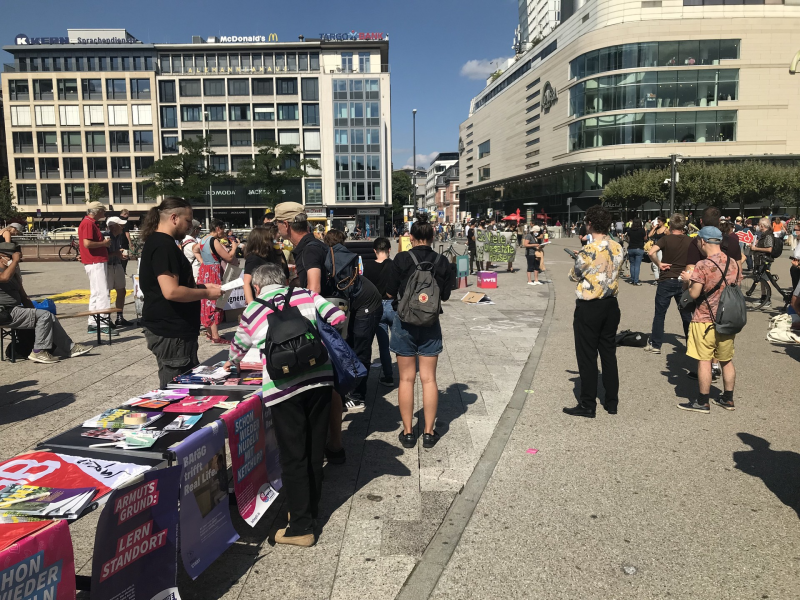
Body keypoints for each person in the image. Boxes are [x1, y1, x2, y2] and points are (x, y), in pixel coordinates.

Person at [224, 263, 345, 547]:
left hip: (283, 387)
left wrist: (233, 363)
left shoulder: (253, 310)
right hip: (319, 378)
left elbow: (237, 348)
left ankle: (301, 526)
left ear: (257, 287)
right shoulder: (305, 294)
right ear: (285, 280)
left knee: (293, 455)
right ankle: (310, 510)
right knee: (314, 449)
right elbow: (337, 316)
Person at [275, 202, 348, 463]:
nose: (277, 229)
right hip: (324, 318)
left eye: (277, 224)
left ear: (285, 225)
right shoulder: (310, 246)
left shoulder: (309, 248)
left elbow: (314, 288)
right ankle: (333, 444)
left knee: (328, 385)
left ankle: (334, 445)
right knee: (330, 384)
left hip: (316, 323)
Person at [386, 213, 455, 448]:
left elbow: (388, 291)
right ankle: (428, 432)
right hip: (430, 324)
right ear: (432, 236)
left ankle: (407, 433)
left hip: (404, 323)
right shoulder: (443, 262)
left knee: (406, 378)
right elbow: (445, 295)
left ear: (412, 237)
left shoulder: (402, 259)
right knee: (429, 379)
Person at [138, 198, 223, 387]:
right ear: (174, 218)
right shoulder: (163, 245)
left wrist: (202, 287)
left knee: (187, 385)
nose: (190, 226)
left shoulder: (161, 242)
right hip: (171, 331)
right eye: (188, 220)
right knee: (177, 389)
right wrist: (205, 294)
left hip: (175, 329)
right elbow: (171, 292)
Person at [563, 205, 623, 418]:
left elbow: (574, 275)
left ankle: (588, 403)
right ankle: (612, 401)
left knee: (587, 355)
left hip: (590, 305)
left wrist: (579, 260)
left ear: (589, 224)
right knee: (608, 352)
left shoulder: (588, 250)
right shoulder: (617, 246)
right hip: (610, 304)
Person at [678, 227, 742, 413]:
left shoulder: (702, 265)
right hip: (727, 319)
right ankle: (728, 398)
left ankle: (702, 401)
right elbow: (735, 288)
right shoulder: (734, 263)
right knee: (726, 360)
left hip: (705, 318)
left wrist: (688, 280)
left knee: (704, 360)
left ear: (703, 242)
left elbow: (695, 293)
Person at [322, 229, 383, 410]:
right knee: (354, 346)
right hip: (367, 300)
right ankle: (352, 390)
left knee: (360, 348)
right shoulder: (340, 257)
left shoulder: (333, 259)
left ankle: (358, 396)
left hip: (368, 306)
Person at [0, 250, 90, 363]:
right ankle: (38, 351)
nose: (13, 261)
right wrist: (15, 261)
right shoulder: (6, 274)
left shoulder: (13, 274)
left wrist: (35, 312)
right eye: (10, 258)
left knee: (48, 316)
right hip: (4, 312)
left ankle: (70, 348)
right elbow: (4, 278)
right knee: (45, 316)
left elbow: (24, 297)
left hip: (14, 310)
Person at [644, 214, 692, 355]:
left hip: (667, 279)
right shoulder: (690, 241)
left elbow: (651, 252)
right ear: (683, 226)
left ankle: (656, 344)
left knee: (660, 313)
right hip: (683, 279)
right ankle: (691, 344)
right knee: (686, 314)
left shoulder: (666, 239)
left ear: (670, 225)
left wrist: (659, 264)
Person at [194, 219, 239, 344]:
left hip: (204, 271)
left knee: (205, 302)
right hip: (213, 272)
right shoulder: (214, 241)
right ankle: (215, 336)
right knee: (214, 302)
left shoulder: (203, 239)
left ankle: (209, 333)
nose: (223, 231)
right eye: (223, 228)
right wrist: (234, 248)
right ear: (218, 228)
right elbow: (229, 257)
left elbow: (195, 249)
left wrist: (202, 262)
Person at [79, 202, 115, 336]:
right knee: (102, 292)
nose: (104, 213)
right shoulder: (89, 223)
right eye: (103, 211)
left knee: (95, 292)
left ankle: (93, 323)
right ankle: (104, 323)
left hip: (93, 261)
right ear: (97, 211)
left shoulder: (88, 222)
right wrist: (104, 244)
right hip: (95, 261)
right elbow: (87, 243)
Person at [363, 237, 395, 387]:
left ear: (374, 251)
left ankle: (388, 376)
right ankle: (405, 374)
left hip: (377, 308)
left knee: (383, 345)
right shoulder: (394, 265)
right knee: (399, 344)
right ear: (389, 250)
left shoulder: (367, 266)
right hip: (394, 306)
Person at [242, 225, 290, 304]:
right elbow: (246, 283)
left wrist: (278, 254)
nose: (273, 242)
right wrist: (252, 304)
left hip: (272, 296)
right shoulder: (254, 259)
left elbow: (278, 271)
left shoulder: (268, 255)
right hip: (261, 299)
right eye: (270, 240)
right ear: (262, 242)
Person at [105, 217, 132, 326]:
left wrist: (120, 254)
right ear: (112, 227)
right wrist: (116, 253)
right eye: (120, 225)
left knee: (122, 290)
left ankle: (119, 317)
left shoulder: (119, 236)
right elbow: (102, 255)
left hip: (117, 265)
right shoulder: (106, 237)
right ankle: (106, 318)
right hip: (108, 266)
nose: (123, 227)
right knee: (106, 293)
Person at [749, 217, 776, 308]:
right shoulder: (763, 235)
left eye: (759, 225)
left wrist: (756, 248)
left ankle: (767, 299)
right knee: (762, 279)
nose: (758, 226)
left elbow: (769, 249)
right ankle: (763, 297)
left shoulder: (768, 235)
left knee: (766, 279)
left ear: (762, 226)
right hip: (760, 260)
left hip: (765, 261)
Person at [625, 218, 646, 285]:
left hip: (631, 248)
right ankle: (636, 281)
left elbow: (628, 239)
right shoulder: (642, 230)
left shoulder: (630, 230)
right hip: (639, 248)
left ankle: (632, 279)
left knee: (632, 265)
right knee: (637, 266)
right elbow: (645, 239)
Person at [646, 216, 668, 283]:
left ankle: (661, 278)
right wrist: (654, 228)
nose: (658, 223)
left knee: (660, 263)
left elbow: (669, 239)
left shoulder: (666, 230)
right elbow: (649, 235)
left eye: (659, 222)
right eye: (657, 221)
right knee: (654, 264)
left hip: (662, 249)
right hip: (655, 247)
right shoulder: (656, 229)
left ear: (663, 222)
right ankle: (656, 278)